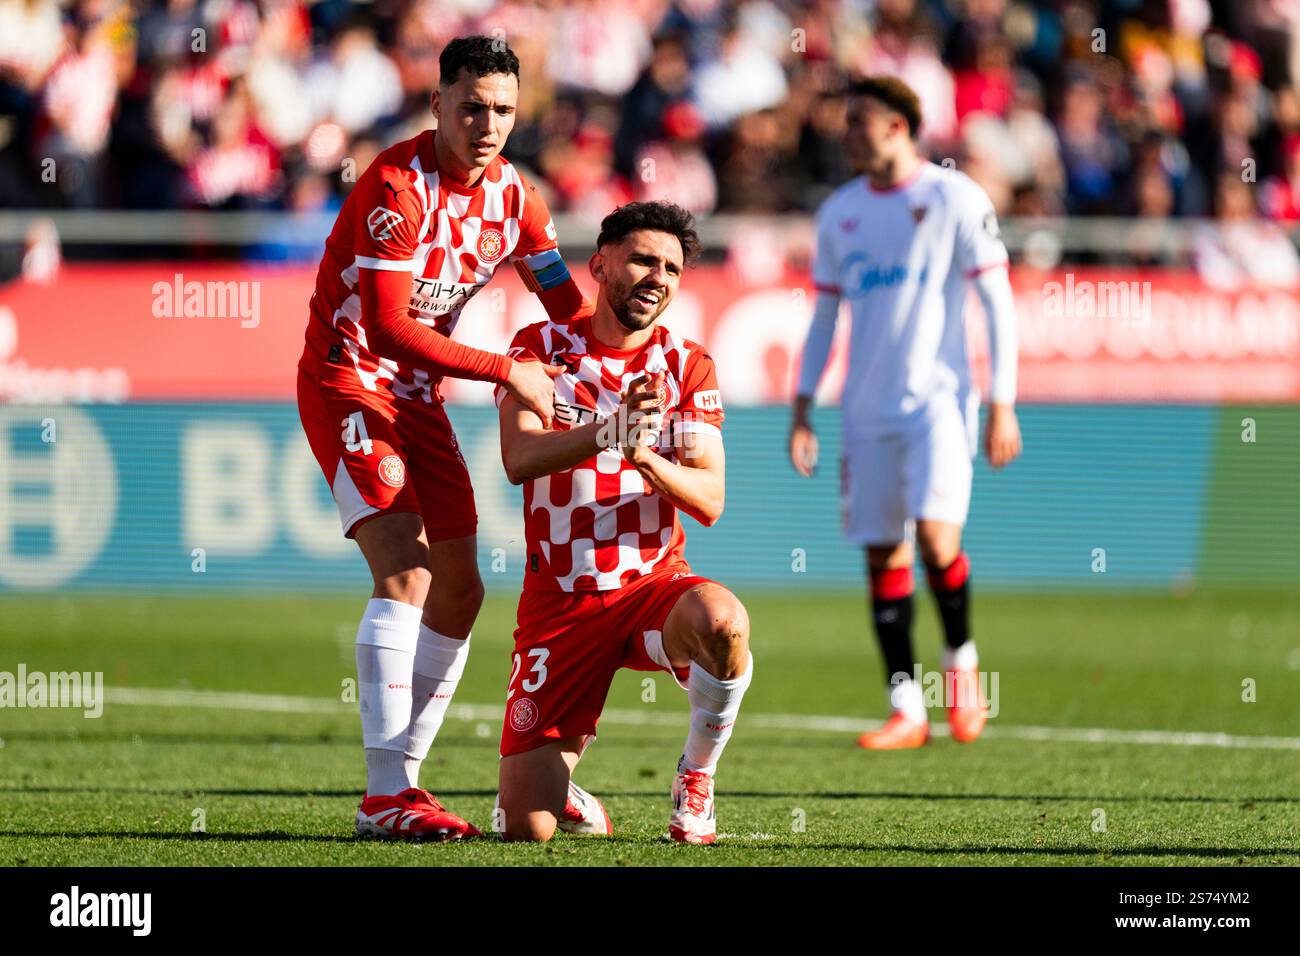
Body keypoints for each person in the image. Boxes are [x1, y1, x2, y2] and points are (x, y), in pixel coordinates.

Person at [296, 35, 589, 840]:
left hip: (420, 396)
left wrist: (639, 356)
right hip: (350, 376)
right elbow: (389, 328)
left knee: (463, 588)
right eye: (470, 107)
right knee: (409, 573)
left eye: (501, 109)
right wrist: (507, 370)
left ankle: (405, 786)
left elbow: (564, 306)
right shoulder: (397, 184)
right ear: (437, 105)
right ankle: (385, 793)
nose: (486, 123)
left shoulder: (519, 199)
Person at [493, 201, 752, 844]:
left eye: (671, 267)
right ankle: (566, 795)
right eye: (642, 259)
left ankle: (697, 774)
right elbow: (520, 460)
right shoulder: (540, 347)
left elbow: (710, 499)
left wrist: (641, 454)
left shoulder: (687, 364)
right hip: (563, 602)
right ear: (601, 264)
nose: (657, 276)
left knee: (722, 621)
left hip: (648, 588)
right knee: (527, 828)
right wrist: (610, 430)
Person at [789, 76, 1021, 750]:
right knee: (881, 553)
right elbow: (826, 314)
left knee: (935, 542)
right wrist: (803, 405)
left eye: (859, 121)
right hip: (864, 413)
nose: (848, 133)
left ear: (898, 126)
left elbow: (997, 303)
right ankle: (907, 709)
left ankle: (963, 671)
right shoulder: (840, 213)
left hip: (940, 405)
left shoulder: (954, 197)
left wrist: (1002, 401)